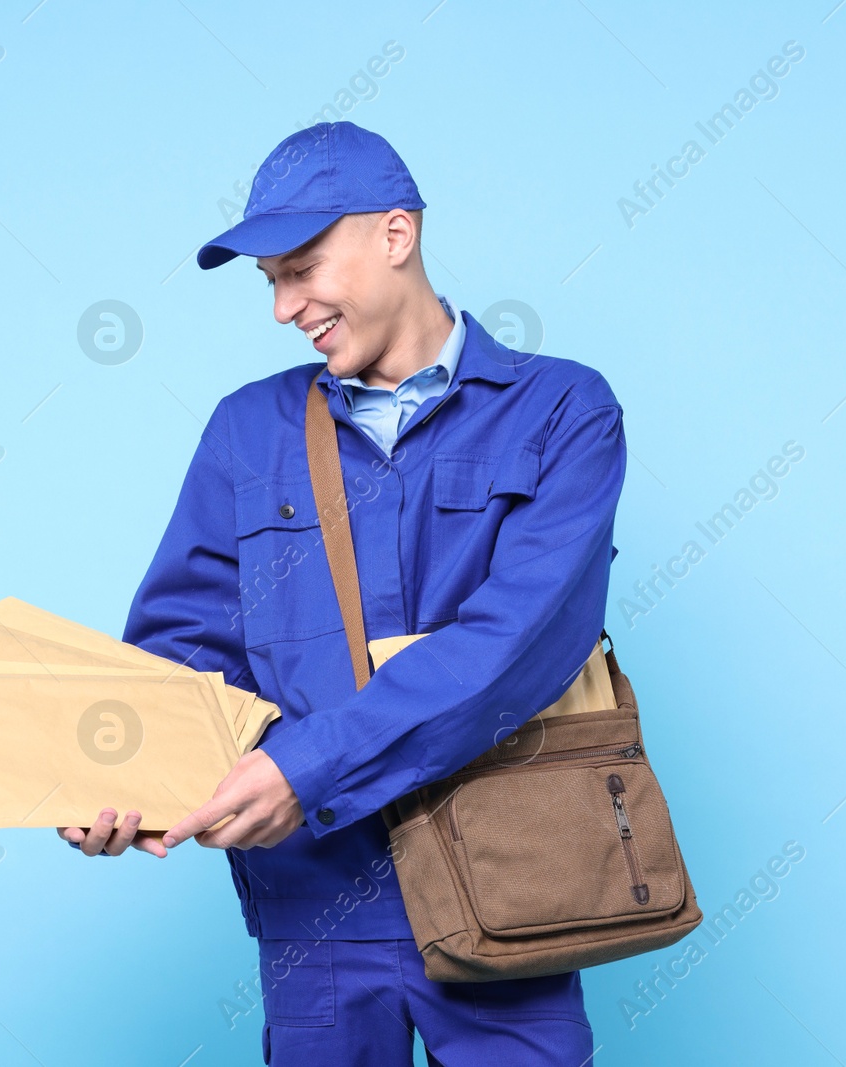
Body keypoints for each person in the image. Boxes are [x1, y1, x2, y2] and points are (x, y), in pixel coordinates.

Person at [58, 121, 626, 1065]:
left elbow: (516, 643)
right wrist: (127, 771)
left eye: (302, 268)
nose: (285, 307)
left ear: (395, 234)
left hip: (510, 890)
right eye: (270, 282)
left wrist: (306, 769)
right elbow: (185, 644)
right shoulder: (248, 430)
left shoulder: (565, 411)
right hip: (313, 910)